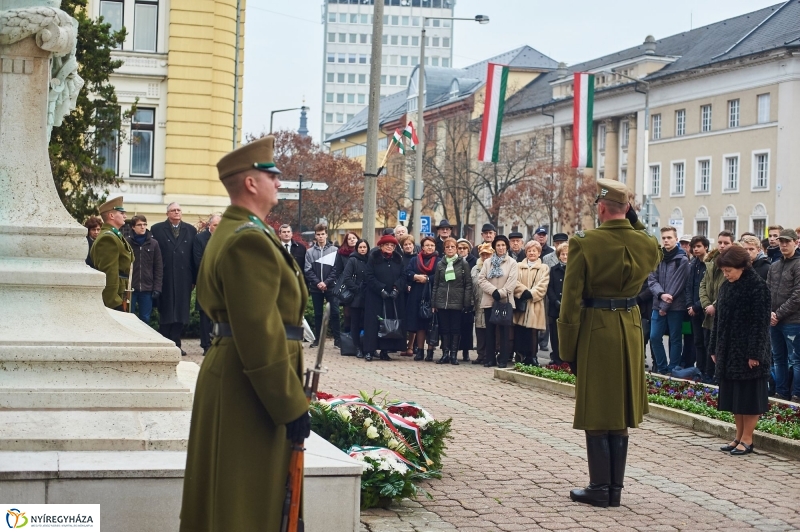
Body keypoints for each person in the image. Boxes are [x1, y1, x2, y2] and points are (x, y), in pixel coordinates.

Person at [180, 135, 311, 532]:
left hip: (240, 375)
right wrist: (289, 405)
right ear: (251, 183)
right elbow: (259, 332)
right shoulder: (249, 239)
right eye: (272, 175)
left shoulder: (243, 231)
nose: (279, 182)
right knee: (244, 504)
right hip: (249, 383)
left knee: (232, 500)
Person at [558, 178, 660, 508]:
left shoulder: (585, 242)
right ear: (628, 209)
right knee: (619, 409)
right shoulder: (647, 243)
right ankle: (614, 489)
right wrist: (635, 221)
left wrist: (567, 348)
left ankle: (600, 488)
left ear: (601, 208)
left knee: (597, 408)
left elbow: (571, 299)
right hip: (630, 327)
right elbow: (653, 248)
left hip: (596, 327)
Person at [709, 245, 771, 456]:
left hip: (748, 352)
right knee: (735, 397)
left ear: (742, 266)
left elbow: (760, 323)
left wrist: (755, 353)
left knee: (748, 398)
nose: (726, 274)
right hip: (729, 351)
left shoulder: (758, 287)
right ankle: (738, 436)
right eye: (723, 270)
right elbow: (718, 319)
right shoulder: (726, 286)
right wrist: (714, 347)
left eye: (729, 270)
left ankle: (748, 439)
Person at [150, 202, 197, 356]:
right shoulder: (157, 229)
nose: (176, 212)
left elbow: (193, 256)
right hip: (165, 276)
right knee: (166, 310)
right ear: (167, 214)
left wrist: (194, 278)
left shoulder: (190, 230)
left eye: (179, 210)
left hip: (184, 277)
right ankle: (165, 343)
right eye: (173, 210)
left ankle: (176, 343)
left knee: (181, 312)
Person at [647, 226, 690, 374]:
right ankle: (662, 368)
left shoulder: (682, 260)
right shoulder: (657, 258)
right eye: (664, 238)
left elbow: (677, 284)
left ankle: (673, 370)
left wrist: (664, 306)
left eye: (669, 237)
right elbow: (652, 280)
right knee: (654, 337)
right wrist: (661, 295)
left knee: (675, 338)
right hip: (658, 304)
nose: (666, 240)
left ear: (676, 239)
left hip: (675, 306)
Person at [766, 229, 800, 402]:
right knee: (778, 358)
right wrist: (769, 313)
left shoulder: (798, 264)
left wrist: (777, 314)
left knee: (796, 360)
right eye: (782, 242)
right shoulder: (774, 266)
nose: (784, 245)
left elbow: (797, 296)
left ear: (796, 243)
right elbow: (767, 291)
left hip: (793, 321)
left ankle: (796, 395)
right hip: (774, 321)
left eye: (787, 241)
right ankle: (781, 393)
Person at [363, 235, 407, 362]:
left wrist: (396, 288)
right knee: (373, 324)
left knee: (389, 323)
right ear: (381, 246)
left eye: (392, 245)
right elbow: (369, 275)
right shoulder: (373, 258)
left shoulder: (398, 259)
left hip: (392, 297)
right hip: (375, 296)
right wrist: (380, 289)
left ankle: (385, 351)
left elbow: (403, 276)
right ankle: (369, 351)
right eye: (387, 245)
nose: (389, 247)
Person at [478, 234, 519, 368]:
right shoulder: (487, 262)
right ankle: (490, 359)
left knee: (504, 332)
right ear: (494, 247)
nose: (500, 248)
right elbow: (481, 279)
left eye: (503, 245)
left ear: (506, 246)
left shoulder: (512, 263)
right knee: (489, 331)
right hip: (489, 300)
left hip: (505, 301)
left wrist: (500, 293)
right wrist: (493, 291)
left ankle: (503, 359)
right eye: (498, 245)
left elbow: (512, 282)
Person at [431, 237, 473, 365]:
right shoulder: (440, 264)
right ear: (444, 249)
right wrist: (433, 302)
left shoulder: (463, 263)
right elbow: (436, 284)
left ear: (456, 249)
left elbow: (468, 284)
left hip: (457, 301)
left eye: (452, 247)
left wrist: (466, 302)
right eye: (447, 247)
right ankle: (445, 354)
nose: (450, 249)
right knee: (444, 329)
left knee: (455, 329)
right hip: (442, 300)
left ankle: (453, 355)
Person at [699, 231, 734, 382]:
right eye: (720, 242)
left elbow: (728, 288)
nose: (722, 245)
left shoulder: (734, 263)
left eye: (726, 243)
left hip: (722, 312)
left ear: (732, 244)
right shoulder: (711, 261)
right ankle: (708, 375)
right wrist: (706, 304)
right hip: (708, 312)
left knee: (720, 346)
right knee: (708, 344)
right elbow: (703, 285)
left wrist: (715, 305)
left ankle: (718, 377)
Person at [90, 196, 134, 311]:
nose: (125, 216)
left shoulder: (114, 235)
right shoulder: (108, 239)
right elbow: (109, 272)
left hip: (122, 293)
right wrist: (114, 302)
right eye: (121, 213)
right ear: (111, 216)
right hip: (115, 298)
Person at [513, 240, 550, 366]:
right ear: (526, 252)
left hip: (535, 304)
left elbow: (543, 285)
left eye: (534, 251)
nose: (532, 253)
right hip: (522, 303)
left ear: (539, 253)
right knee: (520, 331)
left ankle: (533, 357)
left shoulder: (544, 268)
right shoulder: (518, 266)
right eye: (529, 250)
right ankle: (520, 355)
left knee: (533, 332)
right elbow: (514, 281)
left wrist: (532, 293)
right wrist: (523, 291)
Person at [304, 224, 341, 349]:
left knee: (335, 313)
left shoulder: (335, 250)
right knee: (318, 314)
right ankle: (318, 340)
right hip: (316, 288)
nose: (320, 236)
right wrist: (318, 283)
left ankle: (338, 340)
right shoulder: (309, 252)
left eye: (322, 234)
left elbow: (336, 269)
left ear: (326, 234)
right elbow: (307, 270)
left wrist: (326, 282)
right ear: (315, 236)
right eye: (318, 234)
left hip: (331, 287)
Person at [407, 236, 439, 361]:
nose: (430, 247)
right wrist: (416, 277)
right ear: (422, 247)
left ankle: (430, 352)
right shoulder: (415, 260)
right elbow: (407, 272)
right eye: (427, 245)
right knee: (419, 323)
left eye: (432, 245)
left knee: (430, 324)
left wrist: (427, 279)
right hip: (417, 294)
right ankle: (420, 351)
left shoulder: (439, 261)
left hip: (432, 294)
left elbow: (440, 275)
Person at [193, 213, 220, 355]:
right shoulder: (200, 238)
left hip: (221, 284)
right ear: (209, 225)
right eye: (215, 225)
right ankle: (206, 345)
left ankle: (218, 344)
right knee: (205, 315)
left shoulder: (226, 238)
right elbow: (198, 261)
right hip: (206, 282)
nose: (218, 227)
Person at [127, 215, 163, 324]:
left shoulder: (153, 243)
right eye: (139, 225)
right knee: (128, 317)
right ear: (133, 227)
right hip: (131, 288)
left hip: (147, 288)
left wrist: (157, 287)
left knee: (145, 319)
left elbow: (158, 267)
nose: (142, 227)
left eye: (144, 224)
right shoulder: (127, 242)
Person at [684, 236, 710, 373]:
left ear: (706, 247)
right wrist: (690, 305)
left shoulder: (710, 264)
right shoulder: (693, 264)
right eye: (694, 247)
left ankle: (708, 372)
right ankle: (699, 370)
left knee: (707, 342)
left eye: (698, 246)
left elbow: (709, 289)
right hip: (693, 309)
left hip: (705, 309)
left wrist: (697, 306)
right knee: (697, 341)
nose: (695, 249)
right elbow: (689, 286)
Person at [342, 239, 370, 358]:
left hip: (368, 296)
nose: (362, 249)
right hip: (356, 296)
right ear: (357, 248)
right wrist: (356, 289)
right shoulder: (352, 260)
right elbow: (346, 277)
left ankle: (368, 347)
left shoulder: (370, 259)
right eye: (360, 247)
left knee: (367, 322)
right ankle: (357, 347)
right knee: (355, 322)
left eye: (364, 247)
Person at [471, 243, 493, 365]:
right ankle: (480, 354)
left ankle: (488, 355)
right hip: (478, 302)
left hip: (490, 302)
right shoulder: (475, 268)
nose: (485, 257)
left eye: (487, 254)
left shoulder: (494, 267)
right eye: (483, 254)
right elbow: (471, 285)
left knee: (489, 330)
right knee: (479, 329)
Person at [546, 242, 568, 366]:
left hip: (568, 307)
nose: (565, 257)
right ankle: (556, 357)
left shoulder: (573, 270)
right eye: (562, 254)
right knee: (554, 334)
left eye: (567, 254)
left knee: (566, 334)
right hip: (555, 307)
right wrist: (555, 301)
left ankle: (567, 359)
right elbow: (550, 288)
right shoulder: (554, 270)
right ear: (559, 255)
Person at [456, 238, 476, 361]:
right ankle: (453, 350)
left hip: (469, 297)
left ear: (468, 250)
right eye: (460, 248)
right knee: (455, 326)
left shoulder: (474, 261)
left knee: (467, 326)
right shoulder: (454, 261)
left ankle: (466, 351)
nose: (462, 250)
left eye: (464, 248)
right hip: (456, 296)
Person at [337, 231, 359, 335]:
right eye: (349, 239)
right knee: (347, 313)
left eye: (354, 238)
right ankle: (347, 336)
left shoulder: (363, 251)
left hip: (359, 286)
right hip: (347, 287)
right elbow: (338, 271)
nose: (352, 240)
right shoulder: (341, 253)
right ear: (346, 241)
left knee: (359, 313)